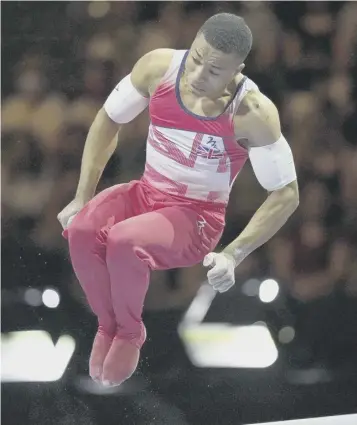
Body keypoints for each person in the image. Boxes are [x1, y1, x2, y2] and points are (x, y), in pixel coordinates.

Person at [57, 13, 299, 387]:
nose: (199, 74)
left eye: (215, 70)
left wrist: (234, 254)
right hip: (145, 192)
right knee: (82, 229)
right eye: (197, 58)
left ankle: (129, 333)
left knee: (124, 241)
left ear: (238, 69)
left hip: (195, 218)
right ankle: (108, 326)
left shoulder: (253, 114)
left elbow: (286, 193)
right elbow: (108, 120)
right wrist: (81, 197)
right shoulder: (158, 67)